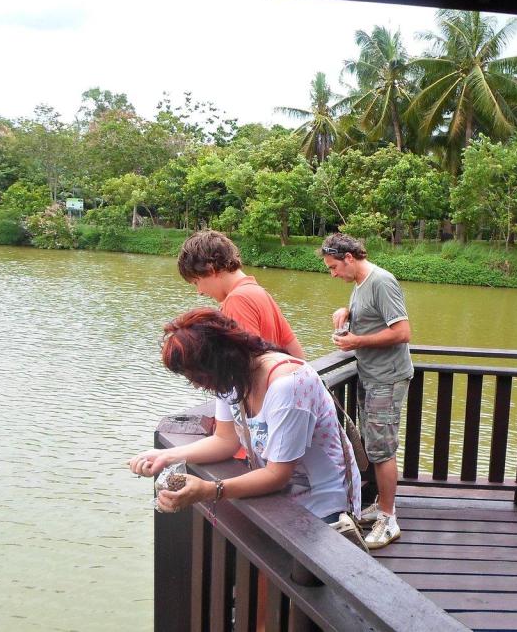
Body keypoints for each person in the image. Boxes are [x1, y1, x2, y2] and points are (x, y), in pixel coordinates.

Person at [129, 308, 361, 523]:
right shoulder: (231, 378)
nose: (198, 386)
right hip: (280, 500)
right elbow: (225, 441)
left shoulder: (288, 385)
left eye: (198, 377)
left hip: (325, 505)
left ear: (219, 361)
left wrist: (209, 490)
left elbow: (277, 474)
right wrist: (165, 456)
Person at [319, 233, 413, 549]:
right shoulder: (362, 284)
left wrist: (357, 341)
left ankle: (389, 520)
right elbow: (374, 315)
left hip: (387, 378)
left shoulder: (381, 281)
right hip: (372, 376)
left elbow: (402, 332)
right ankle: (383, 506)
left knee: (383, 450)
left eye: (334, 267)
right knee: (374, 446)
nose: (332, 274)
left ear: (349, 258)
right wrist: (346, 313)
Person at [177, 230, 304, 359]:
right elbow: (294, 350)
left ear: (211, 270)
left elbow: (246, 364)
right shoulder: (259, 292)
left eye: (196, 282)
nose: (199, 292)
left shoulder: (236, 301)